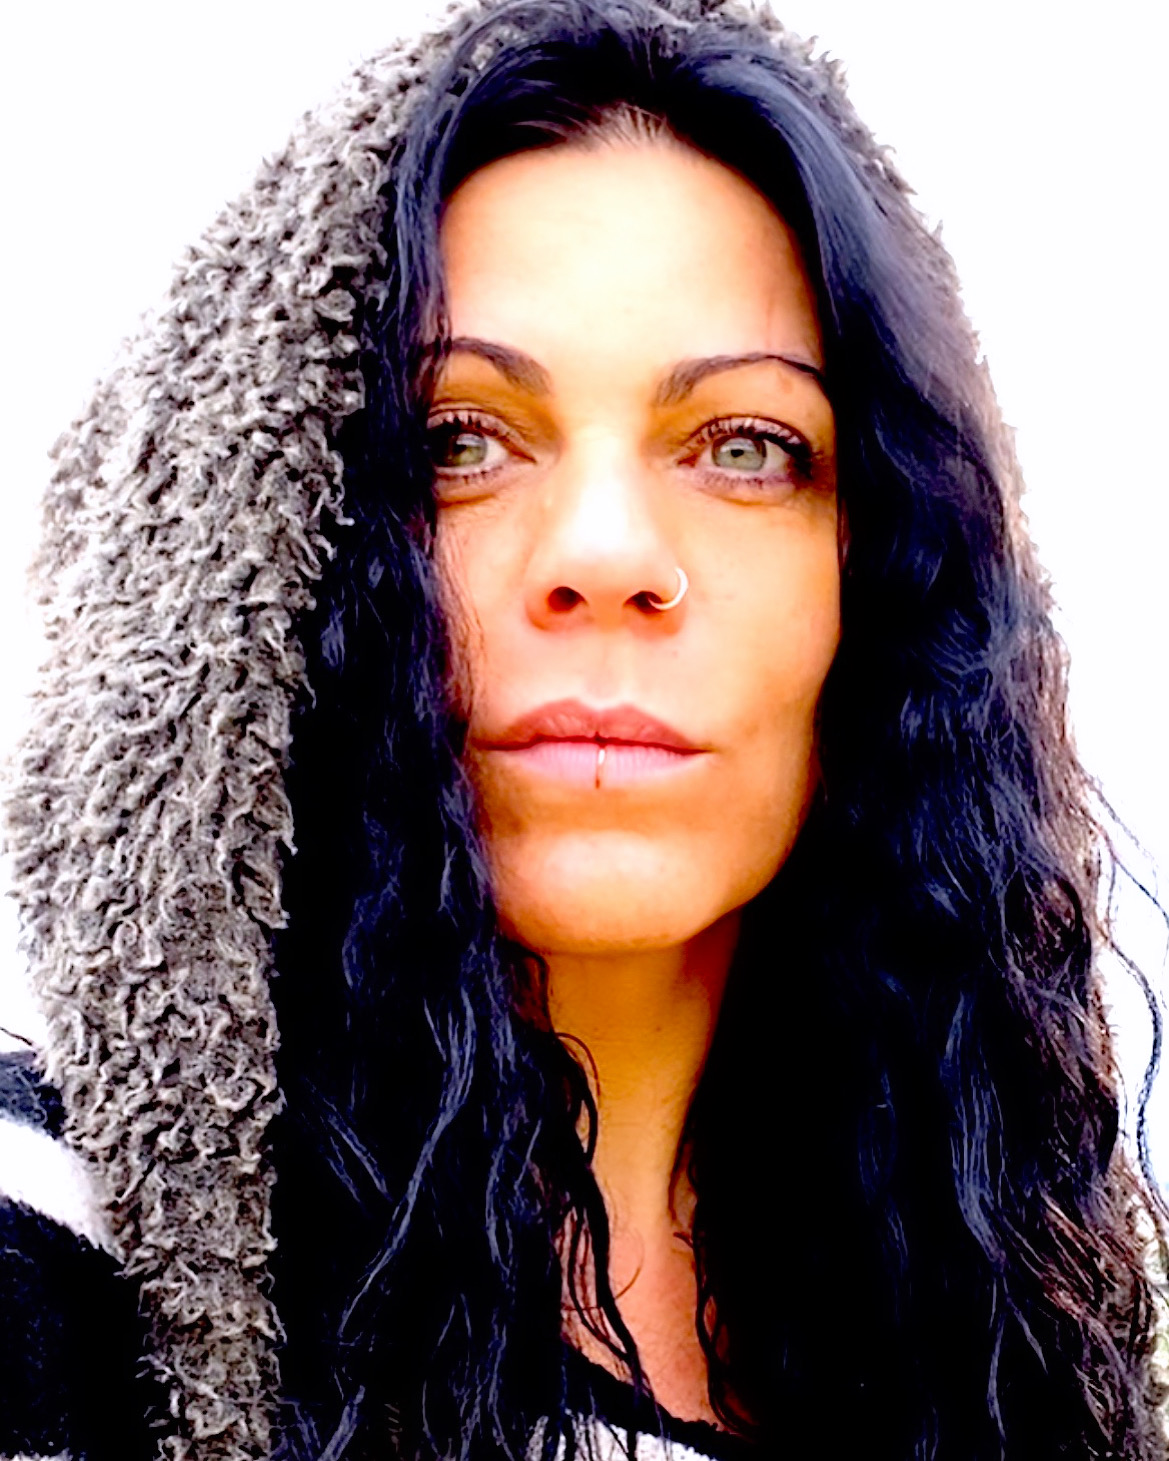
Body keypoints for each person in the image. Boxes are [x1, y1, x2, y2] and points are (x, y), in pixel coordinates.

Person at [0, 0, 1165, 1458]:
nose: (607, 552)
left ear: (891, 577)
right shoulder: (40, 1254)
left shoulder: (1013, 1331)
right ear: (251, 536)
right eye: (455, 440)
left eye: (747, 447)